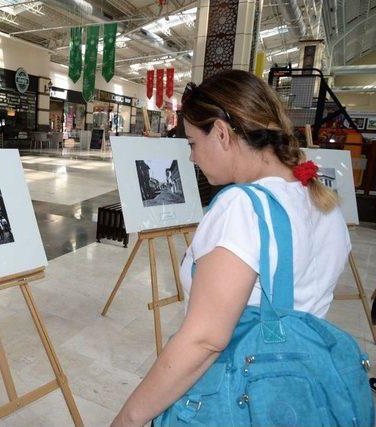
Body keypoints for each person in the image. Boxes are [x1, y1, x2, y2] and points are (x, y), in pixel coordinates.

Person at [111, 69, 350, 426]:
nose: (191, 157)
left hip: (241, 395)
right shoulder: (321, 200)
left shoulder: (242, 207)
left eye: (193, 142)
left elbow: (205, 340)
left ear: (221, 133)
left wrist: (128, 419)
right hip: (297, 392)